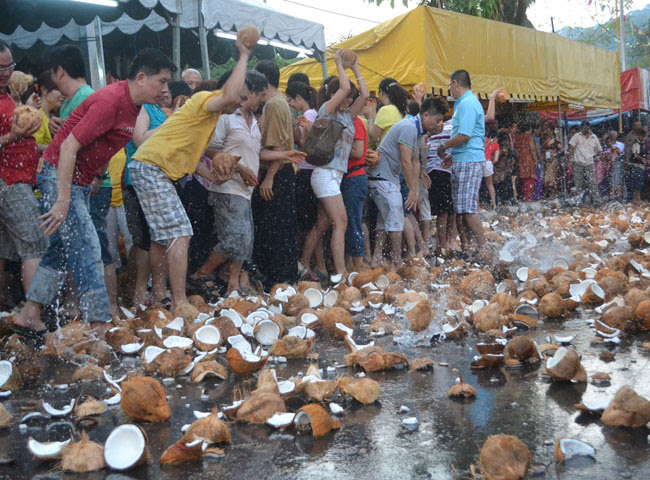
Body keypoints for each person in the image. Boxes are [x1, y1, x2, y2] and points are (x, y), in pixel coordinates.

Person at [12, 48, 175, 341]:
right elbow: (67, 147)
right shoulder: (111, 101)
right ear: (141, 78)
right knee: (88, 248)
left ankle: (29, 314)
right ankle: (99, 324)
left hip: (82, 181)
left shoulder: (135, 107)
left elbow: (106, 144)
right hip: (57, 175)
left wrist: (97, 175)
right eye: (162, 81)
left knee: (59, 252)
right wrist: (62, 199)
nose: (166, 89)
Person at [129, 38, 252, 314]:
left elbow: (191, 155)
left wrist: (211, 175)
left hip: (148, 167)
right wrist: (243, 56)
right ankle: (180, 301)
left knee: (164, 237)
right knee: (181, 234)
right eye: (240, 97)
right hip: (150, 167)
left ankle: (161, 297)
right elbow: (230, 95)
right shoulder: (203, 101)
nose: (239, 103)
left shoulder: (208, 121)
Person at [192, 70, 294, 295]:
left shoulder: (254, 123)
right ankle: (202, 274)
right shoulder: (227, 117)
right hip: (226, 187)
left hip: (246, 190)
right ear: (252, 93)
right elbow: (211, 149)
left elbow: (257, 153)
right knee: (235, 240)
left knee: (245, 241)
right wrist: (239, 167)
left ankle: (233, 285)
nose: (263, 100)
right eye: (262, 96)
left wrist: (284, 155)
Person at [300, 50, 369, 282]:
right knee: (341, 221)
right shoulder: (326, 112)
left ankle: (302, 264)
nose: (348, 100)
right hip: (324, 175)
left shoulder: (348, 117)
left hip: (335, 176)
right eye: (345, 97)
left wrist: (356, 67)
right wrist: (339, 63)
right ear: (332, 95)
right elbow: (346, 89)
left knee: (322, 225)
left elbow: (365, 94)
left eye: (350, 99)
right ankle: (340, 274)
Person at [368, 96, 447, 267]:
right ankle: (396, 261)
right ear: (425, 116)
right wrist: (412, 190)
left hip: (389, 178)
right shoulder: (409, 128)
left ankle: (376, 259)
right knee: (396, 217)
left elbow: (416, 161)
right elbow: (406, 160)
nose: (439, 124)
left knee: (384, 217)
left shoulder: (418, 131)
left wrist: (416, 190)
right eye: (437, 120)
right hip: (382, 177)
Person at [0, 40, 47, 314]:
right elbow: (11, 139)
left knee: (7, 250)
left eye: (10, 66)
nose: (6, 73)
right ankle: (33, 315)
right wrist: (14, 136)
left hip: (17, 179)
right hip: (9, 181)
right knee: (35, 244)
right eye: (1, 68)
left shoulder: (7, 97)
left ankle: (8, 305)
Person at [252, 60, 302, 287]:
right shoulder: (281, 101)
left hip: (277, 173)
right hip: (283, 172)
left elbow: (278, 146)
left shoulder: (273, 104)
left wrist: (269, 177)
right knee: (283, 228)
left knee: (276, 230)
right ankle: (285, 279)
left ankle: (280, 281)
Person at [123, 92, 171, 306]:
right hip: (140, 181)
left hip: (160, 181)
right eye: (161, 83)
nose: (165, 92)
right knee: (146, 239)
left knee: (159, 239)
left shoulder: (160, 111)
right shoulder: (143, 107)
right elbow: (139, 138)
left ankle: (155, 290)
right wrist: (171, 124)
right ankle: (140, 292)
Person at [437, 70, 488, 260]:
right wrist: (454, 155)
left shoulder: (467, 104)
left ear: (456, 83)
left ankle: (483, 248)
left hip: (469, 159)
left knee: (467, 211)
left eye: (449, 85)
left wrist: (445, 146)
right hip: (464, 158)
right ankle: (472, 248)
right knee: (462, 211)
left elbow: (464, 135)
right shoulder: (467, 103)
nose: (449, 89)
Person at [425, 116, 457, 256]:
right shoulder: (454, 127)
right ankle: (444, 243)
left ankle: (443, 242)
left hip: (434, 171)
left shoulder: (429, 128)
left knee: (444, 210)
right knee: (446, 211)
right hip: (442, 171)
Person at [568, 120, 602, 205]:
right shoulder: (577, 136)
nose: (583, 129)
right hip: (578, 163)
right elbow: (571, 147)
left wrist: (593, 156)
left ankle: (597, 202)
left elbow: (599, 150)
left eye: (585, 127)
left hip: (590, 163)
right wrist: (572, 157)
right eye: (582, 127)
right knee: (578, 184)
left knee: (593, 183)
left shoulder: (594, 137)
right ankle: (578, 203)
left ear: (589, 128)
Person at [33, 71, 63, 151]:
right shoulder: (37, 116)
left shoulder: (50, 115)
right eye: (58, 89)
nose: (63, 94)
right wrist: (59, 149)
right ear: (44, 90)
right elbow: (33, 146)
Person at [515, 124, 539, 202]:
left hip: (521, 159)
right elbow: (532, 149)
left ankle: (524, 196)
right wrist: (535, 160)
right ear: (529, 130)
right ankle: (527, 197)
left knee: (523, 178)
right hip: (528, 159)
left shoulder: (519, 137)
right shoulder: (529, 137)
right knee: (529, 178)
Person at [626, 127, 648, 204]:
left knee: (639, 183)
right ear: (639, 136)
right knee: (636, 183)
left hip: (640, 166)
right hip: (636, 166)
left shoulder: (641, 143)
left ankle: (638, 198)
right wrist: (645, 160)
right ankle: (635, 199)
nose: (644, 138)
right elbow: (635, 155)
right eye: (643, 137)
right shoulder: (635, 143)